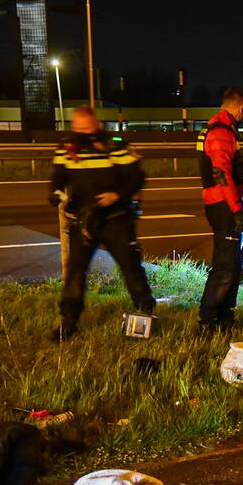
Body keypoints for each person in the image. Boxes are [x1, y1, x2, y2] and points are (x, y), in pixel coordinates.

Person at [49, 106, 155, 340]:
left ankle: (145, 313)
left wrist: (116, 195)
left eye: (86, 128)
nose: (82, 132)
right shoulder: (67, 147)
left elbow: (137, 177)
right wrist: (56, 193)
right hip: (83, 221)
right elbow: (58, 176)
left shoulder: (114, 145)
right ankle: (68, 322)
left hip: (115, 219)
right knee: (75, 272)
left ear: (95, 124)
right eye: (78, 127)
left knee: (130, 267)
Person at [197, 88, 243, 330]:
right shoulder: (220, 133)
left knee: (232, 264)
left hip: (221, 203)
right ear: (239, 108)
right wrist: (237, 208)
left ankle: (225, 316)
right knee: (224, 267)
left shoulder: (217, 128)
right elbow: (222, 174)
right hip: (223, 206)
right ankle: (208, 320)